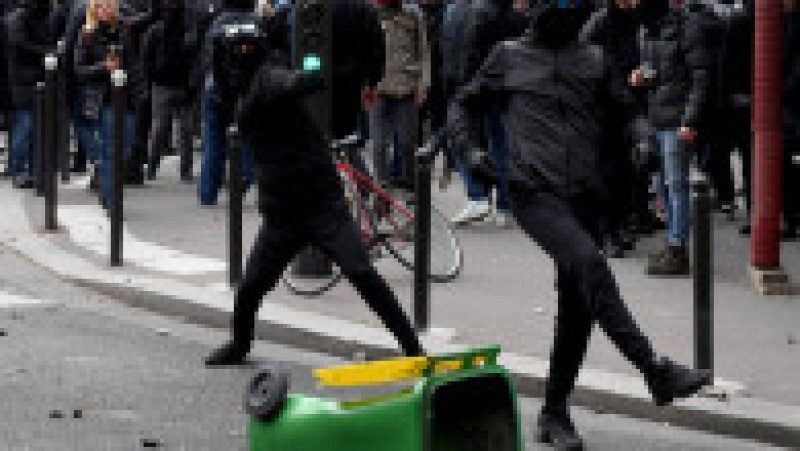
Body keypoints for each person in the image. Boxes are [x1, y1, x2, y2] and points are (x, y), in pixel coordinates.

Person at [448, 0, 711, 447]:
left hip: (588, 194)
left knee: (578, 309)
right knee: (590, 265)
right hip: (534, 192)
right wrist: (470, 152)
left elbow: (624, 110)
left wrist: (643, 137)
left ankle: (553, 413)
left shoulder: (593, 57)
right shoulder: (508, 55)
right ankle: (653, 369)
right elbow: (462, 103)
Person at [204, 3, 423, 366]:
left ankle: (414, 349)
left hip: (321, 204)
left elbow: (284, 82)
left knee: (362, 273)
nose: (242, 55)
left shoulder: (265, 77)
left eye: (247, 48)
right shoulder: (238, 89)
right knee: (251, 287)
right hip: (283, 212)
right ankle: (240, 345)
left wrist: (306, 76)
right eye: (237, 50)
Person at [631, 0, 711, 276]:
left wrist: (690, 119)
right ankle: (672, 246)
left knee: (677, 185)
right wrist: (641, 77)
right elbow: (656, 72)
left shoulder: (686, 26)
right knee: (663, 185)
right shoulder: (647, 29)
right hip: (657, 116)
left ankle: (678, 249)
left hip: (677, 120)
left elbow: (700, 77)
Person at [450, 0, 526, 227]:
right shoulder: (516, 17)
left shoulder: (478, 12)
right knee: (501, 145)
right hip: (504, 89)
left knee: (462, 138)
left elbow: (469, 52)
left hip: (477, 86)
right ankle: (503, 205)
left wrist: (463, 86)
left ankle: (477, 196)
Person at [73, 0, 138, 209]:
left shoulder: (124, 30)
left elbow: (134, 64)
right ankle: (112, 198)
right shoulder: (86, 34)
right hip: (103, 98)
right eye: (100, 6)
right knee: (111, 149)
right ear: (94, 9)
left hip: (125, 97)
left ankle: (107, 188)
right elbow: (80, 70)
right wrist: (104, 67)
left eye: (109, 5)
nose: (105, 10)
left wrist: (139, 93)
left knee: (125, 148)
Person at [197, 0, 257, 206]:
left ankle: (208, 192)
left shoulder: (217, 23)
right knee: (247, 139)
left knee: (214, 142)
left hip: (215, 88)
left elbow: (207, 58)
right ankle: (243, 178)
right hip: (246, 89)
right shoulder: (255, 23)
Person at [370, 0, 431, 190]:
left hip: (407, 87)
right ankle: (382, 187)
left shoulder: (413, 14)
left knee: (407, 143)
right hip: (378, 88)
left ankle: (412, 184)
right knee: (379, 144)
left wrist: (423, 85)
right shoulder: (371, 14)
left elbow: (423, 52)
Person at [141, 0, 198, 181]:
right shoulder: (186, 32)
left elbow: (146, 59)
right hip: (177, 84)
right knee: (183, 130)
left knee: (162, 128)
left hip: (165, 84)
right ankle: (183, 170)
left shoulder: (157, 30)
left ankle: (153, 167)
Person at [6, 0, 56, 189]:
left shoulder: (37, 16)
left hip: (34, 78)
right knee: (25, 125)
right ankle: (19, 171)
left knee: (34, 127)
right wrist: (45, 52)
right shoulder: (20, 17)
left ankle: (33, 171)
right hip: (22, 80)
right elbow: (18, 44)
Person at [784, 0, 800, 239]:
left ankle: (791, 220)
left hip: (792, 104)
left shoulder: (791, 25)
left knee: (791, 165)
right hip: (789, 104)